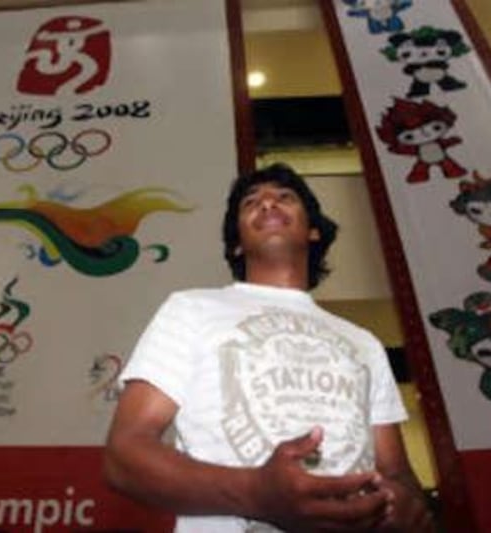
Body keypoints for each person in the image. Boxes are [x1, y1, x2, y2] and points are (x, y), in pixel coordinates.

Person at [103, 163, 433, 532]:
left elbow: (398, 474)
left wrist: (404, 509)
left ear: (312, 231)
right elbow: (125, 454)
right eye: (251, 202)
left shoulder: (364, 342)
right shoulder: (191, 308)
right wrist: (256, 493)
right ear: (237, 243)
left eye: (285, 197)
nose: (268, 204)